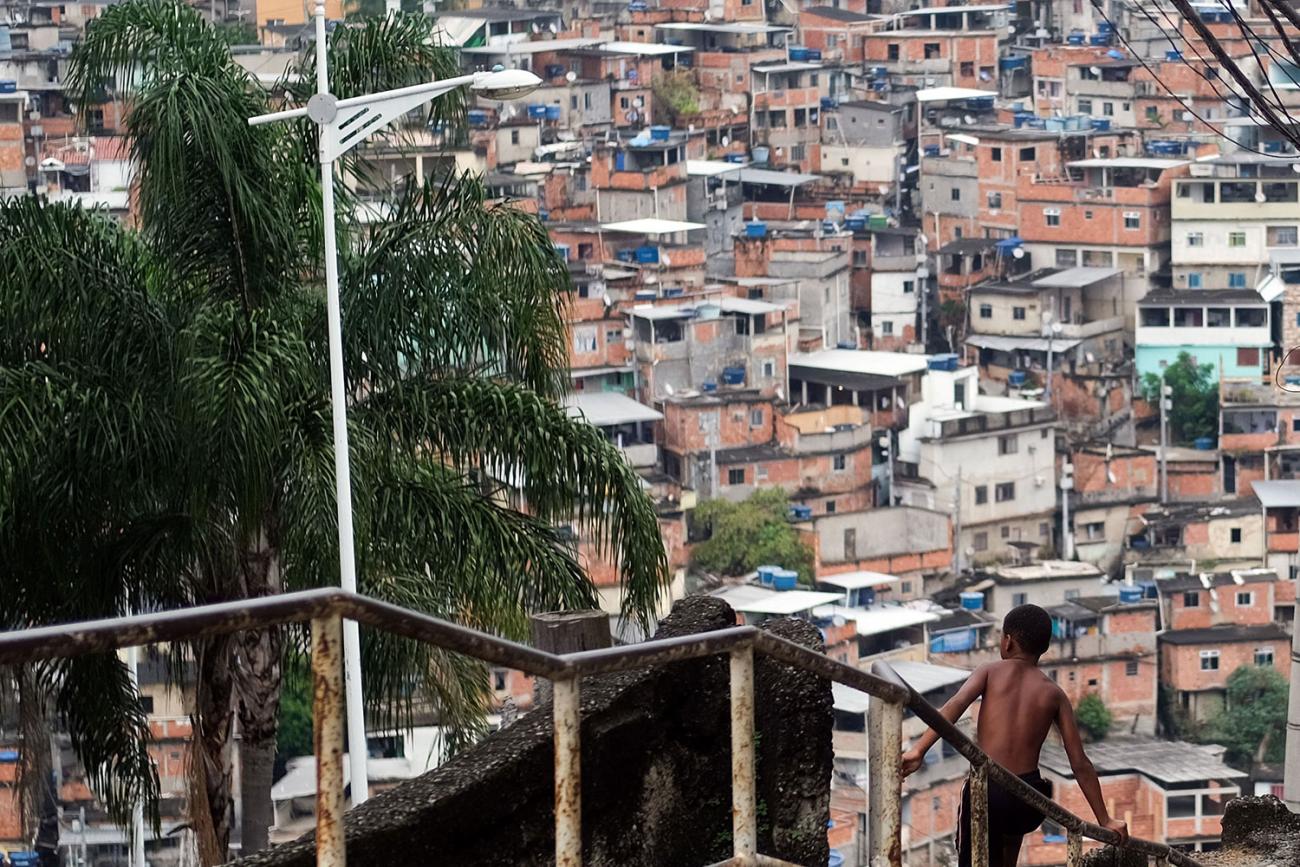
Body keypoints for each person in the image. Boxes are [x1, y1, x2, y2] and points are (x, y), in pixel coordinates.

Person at [900, 603, 1128, 867]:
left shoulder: (990, 671)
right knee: (1008, 842)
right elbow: (1079, 762)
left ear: (1007, 642)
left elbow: (954, 706)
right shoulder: (1054, 693)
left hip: (989, 791)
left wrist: (919, 750)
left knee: (975, 857)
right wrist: (1105, 820)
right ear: (1043, 648)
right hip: (1028, 797)